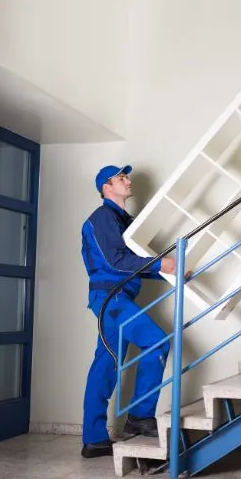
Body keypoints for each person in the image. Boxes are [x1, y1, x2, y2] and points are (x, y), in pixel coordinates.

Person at [79, 164, 190, 458]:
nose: (128, 181)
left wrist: (172, 271)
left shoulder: (123, 221)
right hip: (111, 300)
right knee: (155, 342)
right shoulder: (101, 218)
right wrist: (161, 265)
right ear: (107, 186)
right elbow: (116, 262)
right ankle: (139, 416)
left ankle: (93, 439)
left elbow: (133, 264)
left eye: (127, 177)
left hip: (119, 298)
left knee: (106, 364)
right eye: (121, 178)